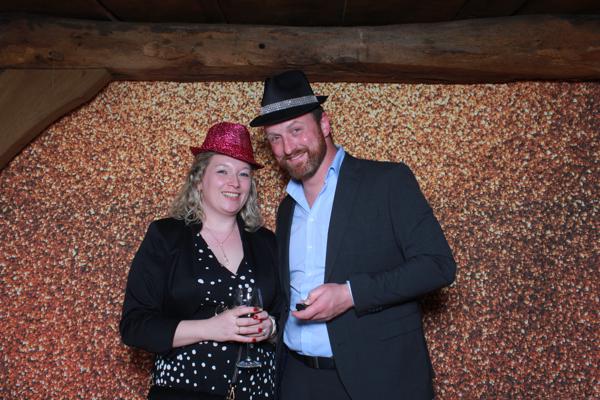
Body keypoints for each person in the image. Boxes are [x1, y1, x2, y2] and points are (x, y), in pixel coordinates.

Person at [249, 70, 457, 400]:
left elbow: (437, 266)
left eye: (296, 130)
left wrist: (350, 295)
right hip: (296, 378)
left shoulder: (387, 182)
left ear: (324, 124)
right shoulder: (287, 208)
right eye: (275, 138)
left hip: (376, 379)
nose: (287, 147)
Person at [120, 122, 280, 400]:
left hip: (258, 394)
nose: (234, 182)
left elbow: (286, 316)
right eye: (222, 171)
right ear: (198, 179)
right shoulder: (166, 236)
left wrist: (272, 328)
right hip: (182, 392)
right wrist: (211, 328)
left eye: (243, 174)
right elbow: (135, 327)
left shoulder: (266, 242)